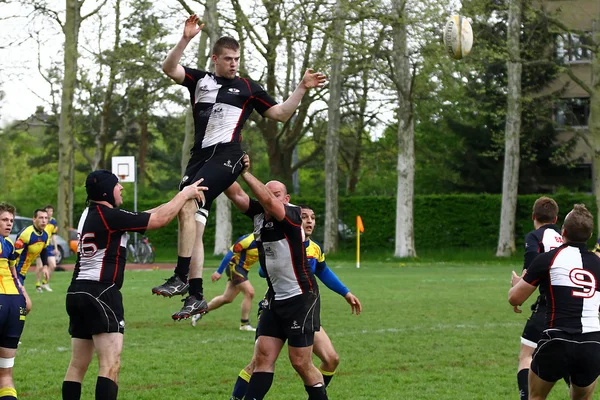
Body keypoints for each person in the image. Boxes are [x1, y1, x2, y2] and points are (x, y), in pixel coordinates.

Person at [154, 13, 327, 322]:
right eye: (229, 59)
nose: (234, 63)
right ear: (215, 59)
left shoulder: (248, 88)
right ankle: (195, 294)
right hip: (199, 159)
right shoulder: (200, 81)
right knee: (190, 217)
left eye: (237, 58)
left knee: (188, 202)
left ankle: (181, 276)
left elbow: (280, 114)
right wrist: (185, 38)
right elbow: (168, 68)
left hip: (228, 157)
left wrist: (301, 88)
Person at [61, 170, 207, 400]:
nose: (122, 189)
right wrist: (185, 194)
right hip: (102, 293)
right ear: (106, 191)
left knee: (77, 366)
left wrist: (177, 201)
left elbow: (143, 215)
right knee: (110, 365)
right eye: (118, 185)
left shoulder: (91, 213)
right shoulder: (109, 216)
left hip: (77, 291)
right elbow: (159, 220)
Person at [229, 204, 362, 400]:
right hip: (277, 307)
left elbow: (323, 271)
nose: (309, 221)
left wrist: (346, 293)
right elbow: (262, 271)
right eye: (304, 217)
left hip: (304, 310)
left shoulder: (315, 248)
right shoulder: (283, 245)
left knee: (331, 359)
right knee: (259, 362)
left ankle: (316, 393)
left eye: (313, 217)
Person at [224, 155, 328, 400]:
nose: (269, 196)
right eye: (268, 193)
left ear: (287, 198)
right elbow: (236, 194)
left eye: (277, 193)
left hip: (301, 298)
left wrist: (246, 173)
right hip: (275, 299)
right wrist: (220, 166)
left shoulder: (292, 215)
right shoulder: (260, 214)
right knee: (263, 358)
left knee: (301, 363)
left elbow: (268, 200)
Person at [509, 204, 600, 400]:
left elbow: (515, 298)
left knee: (536, 397)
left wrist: (516, 285)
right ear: (590, 235)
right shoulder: (598, 264)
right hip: (591, 343)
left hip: (556, 340)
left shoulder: (548, 259)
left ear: (563, 231)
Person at [513, 197, 563, 400]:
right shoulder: (565, 236)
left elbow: (532, 268)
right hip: (573, 307)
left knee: (527, 356)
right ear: (556, 218)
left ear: (534, 216)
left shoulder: (534, 236)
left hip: (546, 306)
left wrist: (517, 289)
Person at [191, 233, 259, 331]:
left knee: (227, 298)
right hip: (235, 268)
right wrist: (219, 271)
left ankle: (200, 311)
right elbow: (230, 253)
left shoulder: (267, 242)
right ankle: (244, 324)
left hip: (243, 270)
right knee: (249, 292)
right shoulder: (247, 240)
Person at [0, 203, 31, 400]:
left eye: (11, 220)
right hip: (16, 305)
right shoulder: (10, 245)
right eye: (4, 219)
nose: (9, 224)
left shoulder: (9, 244)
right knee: (5, 374)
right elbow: (15, 276)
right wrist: (26, 298)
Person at [13, 209, 50, 286]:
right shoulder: (26, 234)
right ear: (34, 219)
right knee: (20, 296)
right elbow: (13, 256)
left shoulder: (45, 235)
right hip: (15, 273)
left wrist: (45, 267)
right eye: (41, 218)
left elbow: (43, 250)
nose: (44, 221)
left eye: (46, 218)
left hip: (23, 273)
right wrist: (13, 274)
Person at [35, 204, 58, 292]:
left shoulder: (53, 222)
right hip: (40, 244)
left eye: (51, 211)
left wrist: (56, 248)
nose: (49, 213)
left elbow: (53, 235)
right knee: (40, 266)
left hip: (48, 246)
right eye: (47, 211)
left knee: (53, 265)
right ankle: (37, 285)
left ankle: (45, 283)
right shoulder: (40, 220)